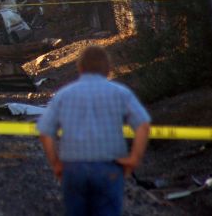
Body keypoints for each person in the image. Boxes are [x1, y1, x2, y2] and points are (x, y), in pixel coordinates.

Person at [36, 46, 151, 216]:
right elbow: (142, 125)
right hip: (109, 167)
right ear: (107, 68)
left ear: (80, 68)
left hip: (73, 168)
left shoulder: (63, 95)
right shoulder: (121, 93)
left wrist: (56, 163)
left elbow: (45, 130)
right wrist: (134, 158)